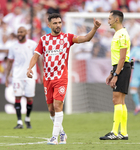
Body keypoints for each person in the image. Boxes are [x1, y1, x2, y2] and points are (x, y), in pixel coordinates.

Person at [27, 13, 101, 145]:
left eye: (59, 22)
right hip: (47, 79)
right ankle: (62, 133)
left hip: (61, 77)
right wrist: (29, 68)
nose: (58, 25)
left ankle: (54, 138)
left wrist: (94, 29)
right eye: (55, 23)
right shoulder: (44, 40)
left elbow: (85, 39)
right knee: (51, 110)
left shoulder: (68, 38)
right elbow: (36, 55)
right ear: (49, 25)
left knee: (57, 105)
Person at [99, 10, 131, 140]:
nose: (108, 21)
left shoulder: (122, 34)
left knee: (116, 100)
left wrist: (116, 74)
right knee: (121, 101)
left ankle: (114, 132)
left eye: (110, 18)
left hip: (122, 68)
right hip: (120, 68)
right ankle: (123, 132)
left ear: (116, 19)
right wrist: (112, 73)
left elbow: (122, 57)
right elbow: (119, 58)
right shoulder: (119, 33)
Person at [5, 25, 42, 129]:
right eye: (18, 32)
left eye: (21, 32)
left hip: (30, 75)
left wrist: (42, 74)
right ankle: (19, 121)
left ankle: (27, 118)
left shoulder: (33, 44)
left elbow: (38, 59)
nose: (19, 34)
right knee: (17, 97)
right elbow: (10, 62)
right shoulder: (13, 47)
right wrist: (7, 77)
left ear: (26, 33)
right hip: (17, 76)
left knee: (29, 98)